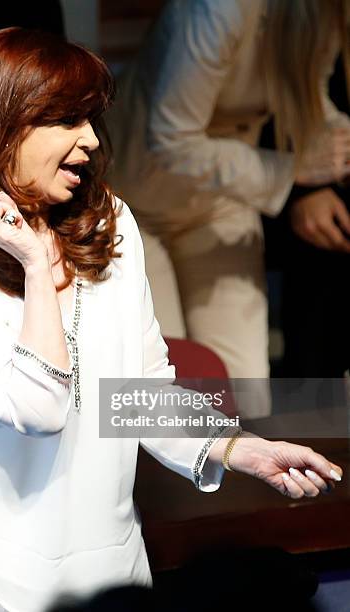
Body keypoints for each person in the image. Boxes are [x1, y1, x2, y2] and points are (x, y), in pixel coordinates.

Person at [0, 28, 343, 612]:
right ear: (2, 129)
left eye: (90, 121)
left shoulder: (109, 223)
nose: (88, 142)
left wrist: (237, 447)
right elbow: (39, 409)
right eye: (66, 121)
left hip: (105, 562)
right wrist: (34, 264)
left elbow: (139, 391)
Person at [105, 0, 350, 393]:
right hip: (138, 200)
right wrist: (291, 169)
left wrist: (336, 136)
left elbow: (309, 92)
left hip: (222, 199)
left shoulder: (326, 15)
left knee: (247, 386)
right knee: (164, 381)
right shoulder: (222, 10)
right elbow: (171, 140)